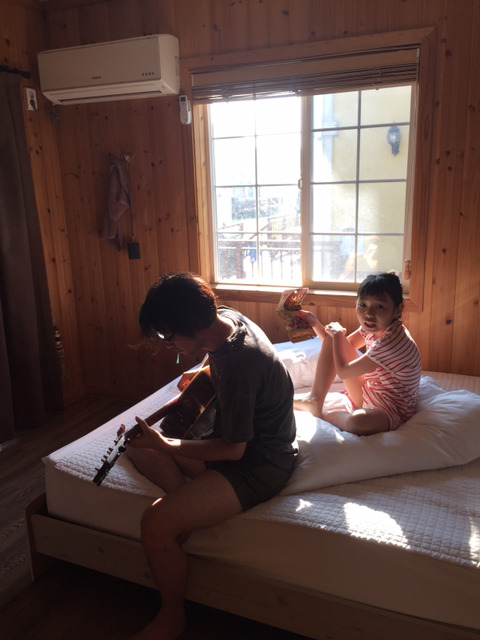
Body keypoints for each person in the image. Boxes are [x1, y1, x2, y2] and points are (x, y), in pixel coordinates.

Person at [123, 272, 297, 640]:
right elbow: (218, 372)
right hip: (233, 439)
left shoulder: (240, 363)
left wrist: (166, 445)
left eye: (168, 335)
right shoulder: (226, 318)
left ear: (192, 326)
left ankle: (172, 617)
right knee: (136, 448)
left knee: (154, 524)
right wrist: (193, 389)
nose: (168, 344)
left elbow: (234, 451)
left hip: (261, 462)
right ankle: (186, 506)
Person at [294, 272, 422, 435]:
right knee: (334, 340)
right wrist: (315, 323)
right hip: (370, 392)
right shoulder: (376, 327)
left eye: (379, 306)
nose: (369, 313)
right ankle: (314, 400)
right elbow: (337, 347)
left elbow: (343, 371)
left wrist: (338, 334)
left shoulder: (391, 343)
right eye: (363, 304)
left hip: (391, 409)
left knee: (358, 422)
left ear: (398, 310)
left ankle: (323, 414)